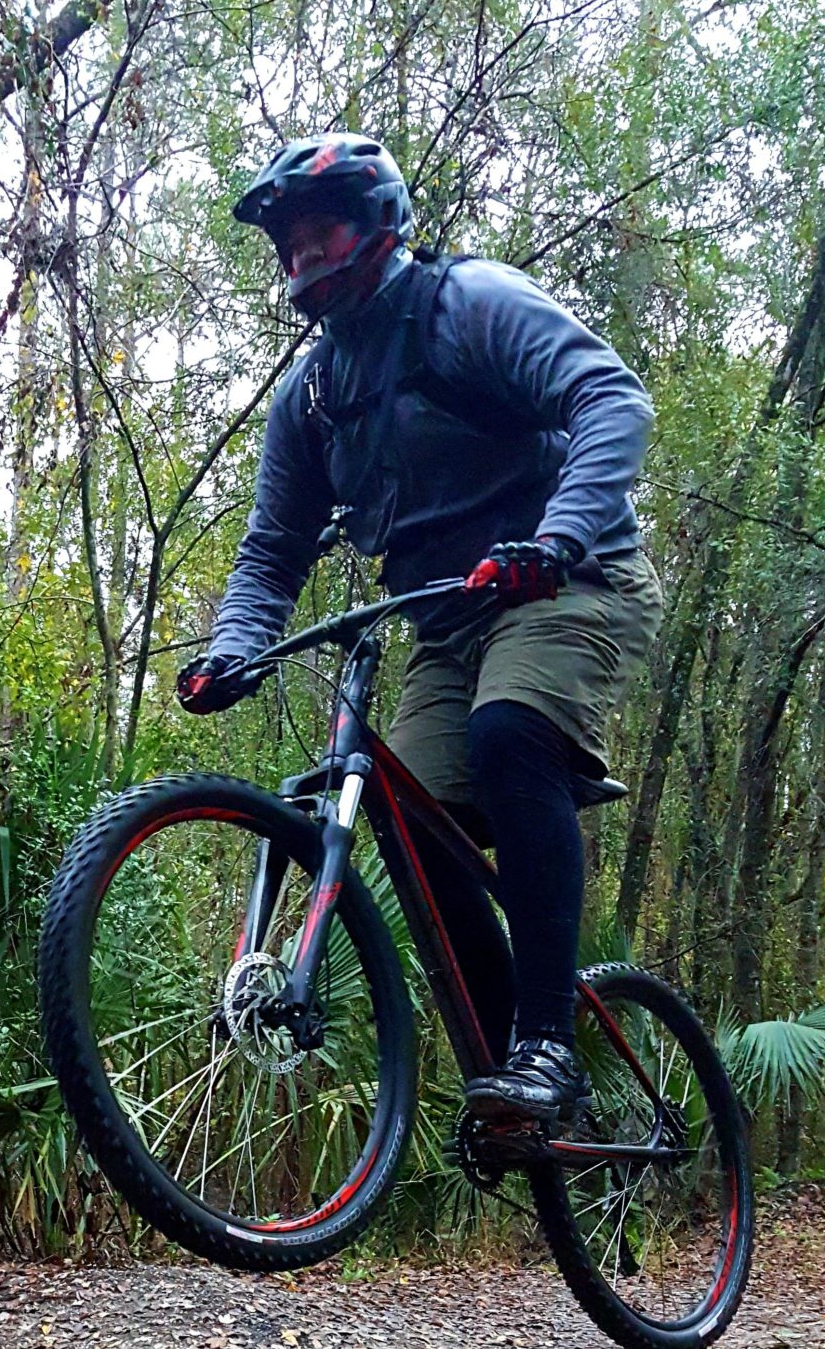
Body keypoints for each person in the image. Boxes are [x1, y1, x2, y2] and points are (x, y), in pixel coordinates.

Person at [176, 134, 662, 1122]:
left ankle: (545, 1047)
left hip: (575, 581)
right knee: (404, 814)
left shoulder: (467, 305)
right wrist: (235, 646)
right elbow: (274, 548)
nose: (304, 254)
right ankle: (505, 1076)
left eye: (322, 230)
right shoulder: (309, 399)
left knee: (508, 732)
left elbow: (611, 396)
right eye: (289, 242)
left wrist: (558, 535)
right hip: (447, 625)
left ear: (376, 221)